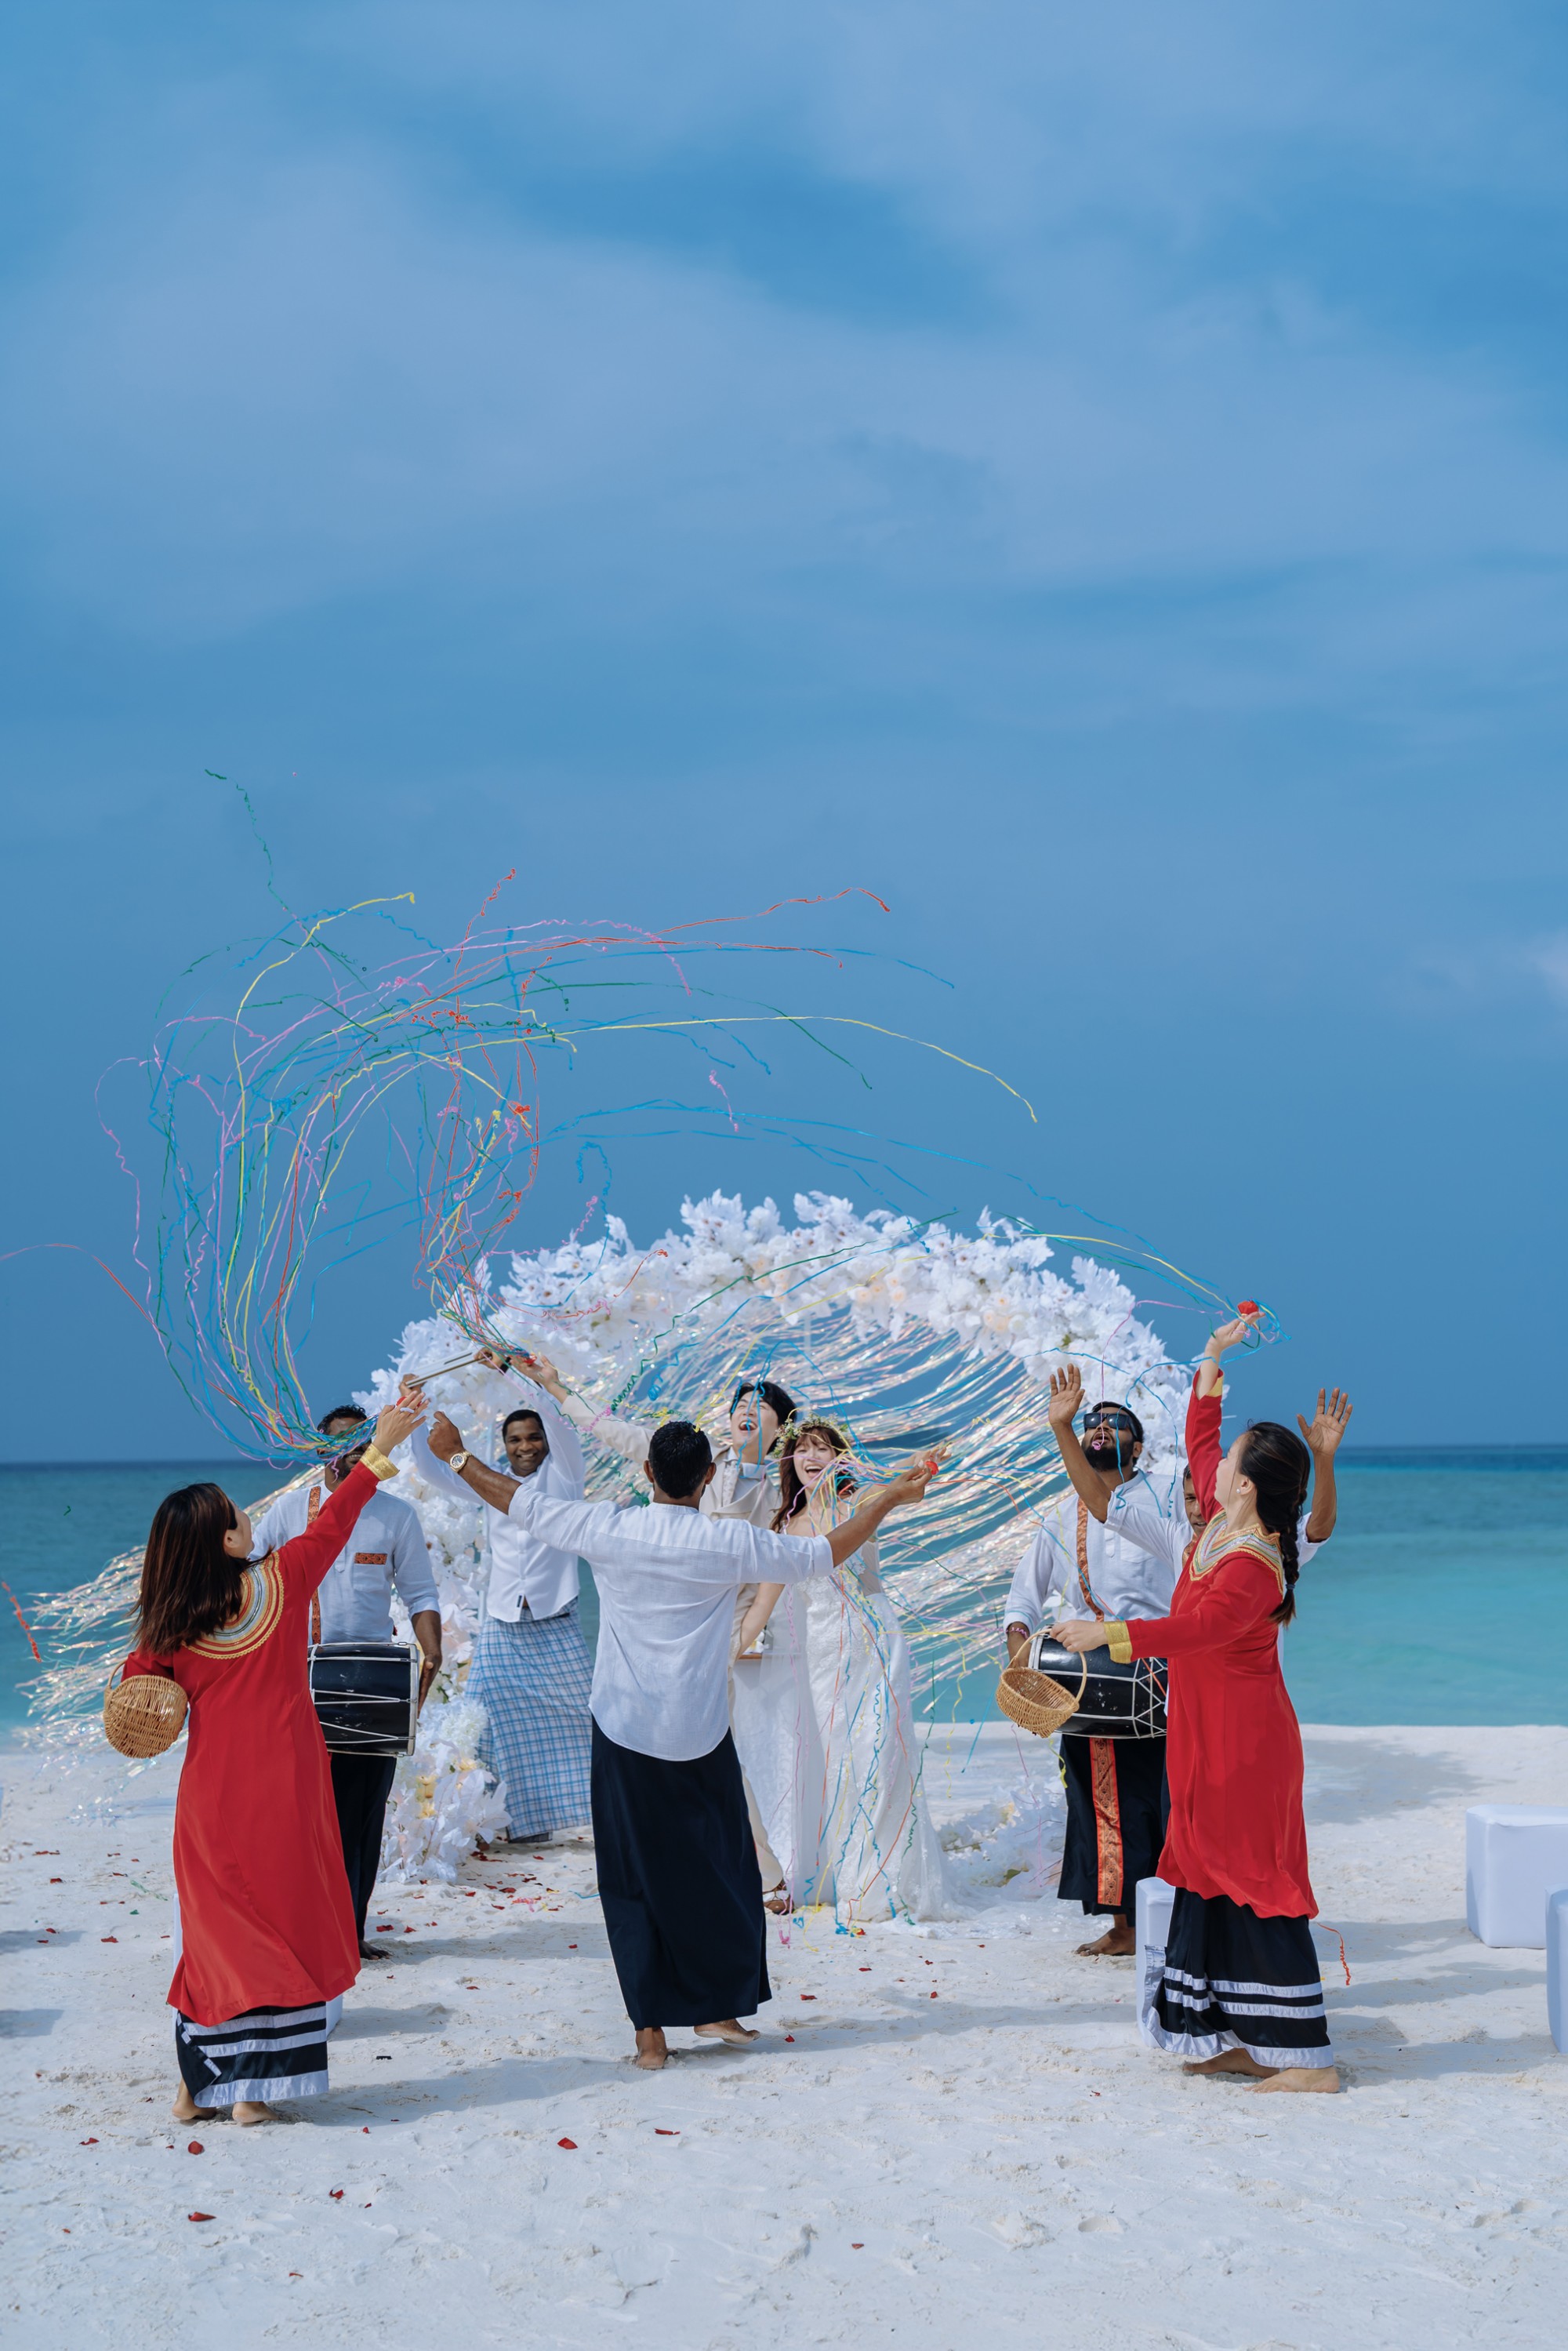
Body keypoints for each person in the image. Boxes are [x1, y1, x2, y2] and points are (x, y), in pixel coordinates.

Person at [424, 1406, 941, 2070]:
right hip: (697, 1730)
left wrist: (457, 1456)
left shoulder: (609, 1527)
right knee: (722, 1871)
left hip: (624, 1729)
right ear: (707, 1478)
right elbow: (823, 1554)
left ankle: (652, 2035)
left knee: (633, 1881)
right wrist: (892, 1496)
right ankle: (715, 2008)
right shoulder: (726, 1541)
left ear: (647, 1474)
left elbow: (518, 1502)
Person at [117, 1397, 426, 2124]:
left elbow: (138, 1696)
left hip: (212, 1802)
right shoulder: (280, 1585)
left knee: (216, 1933)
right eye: (237, 1516)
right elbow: (337, 1520)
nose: (249, 1520)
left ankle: (196, 2088)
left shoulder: (170, 1625)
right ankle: (251, 2094)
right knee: (280, 1927)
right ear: (224, 1543)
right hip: (285, 1791)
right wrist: (380, 1448)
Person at [1051, 1317, 1340, 2092]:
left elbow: (1197, 1628)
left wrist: (1105, 1631)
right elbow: (1201, 1427)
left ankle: (1306, 2060)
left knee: (1255, 1878)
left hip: (1245, 1745)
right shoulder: (1216, 1524)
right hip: (1204, 1735)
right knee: (1207, 1871)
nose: (1205, 1466)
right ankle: (1248, 2034)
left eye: (1225, 1464)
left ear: (1243, 1485)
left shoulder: (1251, 1559)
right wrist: (1212, 1355)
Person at [524, 1352, 795, 1910]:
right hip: (648, 1633)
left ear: (780, 1427)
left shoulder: (778, 1487)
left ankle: (761, 1873)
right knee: (661, 1752)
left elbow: (783, 1568)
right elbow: (612, 1431)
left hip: (713, 1637)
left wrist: (745, 1635)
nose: (748, 1412)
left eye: (761, 1407)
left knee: (717, 1755)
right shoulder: (691, 1456)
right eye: (742, 1403)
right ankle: (700, 1865)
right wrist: (555, 1386)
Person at [731, 1419, 948, 1921]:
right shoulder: (782, 1527)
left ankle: (884, 1881)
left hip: (874, 1643)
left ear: (839, 1459)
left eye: (822, 1449)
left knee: (880, 1754)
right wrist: (732, 1647)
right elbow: (764, 1601)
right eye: (802, 1450)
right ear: (789, 1462)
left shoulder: (858, 1507)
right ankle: (845, 1873)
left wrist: (925, 1461)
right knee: (837, 1764)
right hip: (822, 1657)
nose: (811, 1457)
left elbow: (902, 1479)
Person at [249, 1405, 443, 1957]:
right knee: (302, 1814)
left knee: (362, 1814)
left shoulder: (397, 1516)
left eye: (366, 1441)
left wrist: (433, 1648)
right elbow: (253, 1585)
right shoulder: (288, 1512)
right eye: (345, 1443)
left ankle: (347, 1935)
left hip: (374, 1684)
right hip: (300, 1683)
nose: (356, 1452)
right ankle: (300, 1929)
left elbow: (421, 1594)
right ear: (320, 1450)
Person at [1003, 1394, 1185, 1957]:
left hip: (1163, 1672)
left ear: (1141, 1444)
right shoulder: (1062, 1514)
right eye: (1091, 1423)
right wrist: (1021, 1658)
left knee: (1172, 1798)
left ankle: (1182, 1917)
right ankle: (1126, 1926)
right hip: (1088, 1677)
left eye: (1116, 1423)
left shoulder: (1167, 1499)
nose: (1101, 1428)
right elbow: (1022, 1597)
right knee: (1103, 1805)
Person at [407, 1350, 592, 1847]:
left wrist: (511, 1373)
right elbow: (433, 1471)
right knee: (489, 1718)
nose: (526, 1446)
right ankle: (516, 1821)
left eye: (533, 1438)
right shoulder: (489, 1484)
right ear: (503, 1446)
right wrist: (415, 1413)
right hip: (503, 1625)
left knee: (582, 1719)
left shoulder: (566, 1477)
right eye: (515, 1439)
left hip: (557, 1619)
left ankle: (596, 1808)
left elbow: (558, 1417)